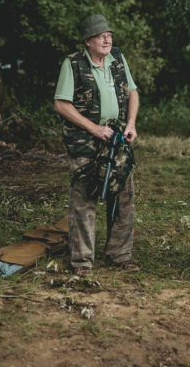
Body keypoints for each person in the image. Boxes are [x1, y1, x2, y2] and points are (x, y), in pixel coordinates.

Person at [53, 14, 140, 276]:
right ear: (87, 41)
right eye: (101, 36)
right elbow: (61, 104)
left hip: (117, 138)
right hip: (85, 141)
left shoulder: (117, 59)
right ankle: (82, 261)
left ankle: (119, 254)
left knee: (124, 194)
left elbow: (133, 92)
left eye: (109, 36)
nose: (107, 40)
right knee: (84, 196)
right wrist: (94, 128)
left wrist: (131, 124)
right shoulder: (73, 63)